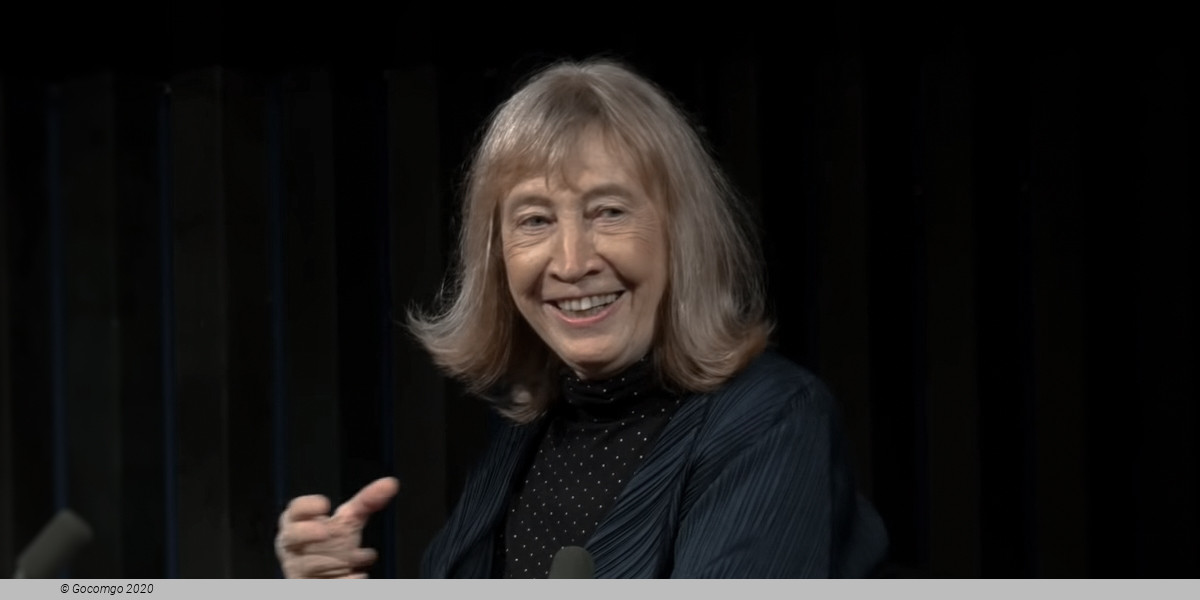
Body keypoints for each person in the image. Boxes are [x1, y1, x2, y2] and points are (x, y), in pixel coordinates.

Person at [274, 58, 888, 578]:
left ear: (680, 233)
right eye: (535, 221)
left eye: (608, 212)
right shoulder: (529, 437)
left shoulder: (774, 419)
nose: (571, 263)